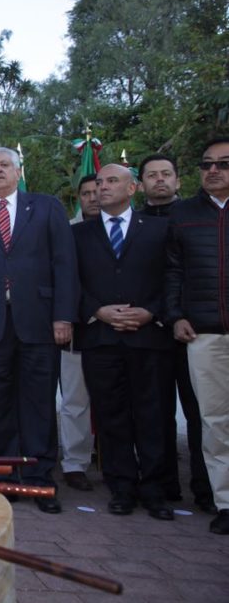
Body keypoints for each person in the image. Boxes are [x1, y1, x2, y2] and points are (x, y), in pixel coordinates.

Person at [0, 147, 77, 514]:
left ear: (19, 172)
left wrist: (63, 316)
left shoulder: (47, 206)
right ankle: (3, 478)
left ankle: (39, 481)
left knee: (38, 404)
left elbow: (64, 263)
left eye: (5, 165)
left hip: (39, 320)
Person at [74, 164, 174, 520]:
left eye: (112, 181)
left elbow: (173, 278)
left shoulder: (160, 229)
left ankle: (154, 490)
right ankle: (121, 487)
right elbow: (72, 284)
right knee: (111, 417)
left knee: (152, 415)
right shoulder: (80, 235)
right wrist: (97, 311)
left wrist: (152, 312)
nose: (102, 187)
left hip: (149, 337)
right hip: (101, 339)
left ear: (133, 189)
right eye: (99, 182)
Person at [139, 153, 214, 512]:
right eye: (152, 175)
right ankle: (163, 484)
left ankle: (206, 488)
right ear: (141, 184)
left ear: (179, 180)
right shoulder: (134, 221)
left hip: (194, 329)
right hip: (151, 330)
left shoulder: (197, 217)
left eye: (166, 174)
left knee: (202, 413)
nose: (160, 181)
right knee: (155, 413)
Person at [165, 137, 229, 535]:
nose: (213, 171)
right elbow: (172, 271)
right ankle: (225, 501)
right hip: (203, 333)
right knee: (214, 421)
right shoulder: (184, 214)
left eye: (222, 164)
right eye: (206, 164)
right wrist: (174, 315)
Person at [59, 175, 98, 492]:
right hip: (77, 326)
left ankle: (118, 462)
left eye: (99, 191)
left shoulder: (136, 228)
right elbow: (63, 279)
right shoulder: (67, 232)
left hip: (123, 327)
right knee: (75, 401)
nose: (94, 198)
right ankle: (75, 463)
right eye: (87, 193)